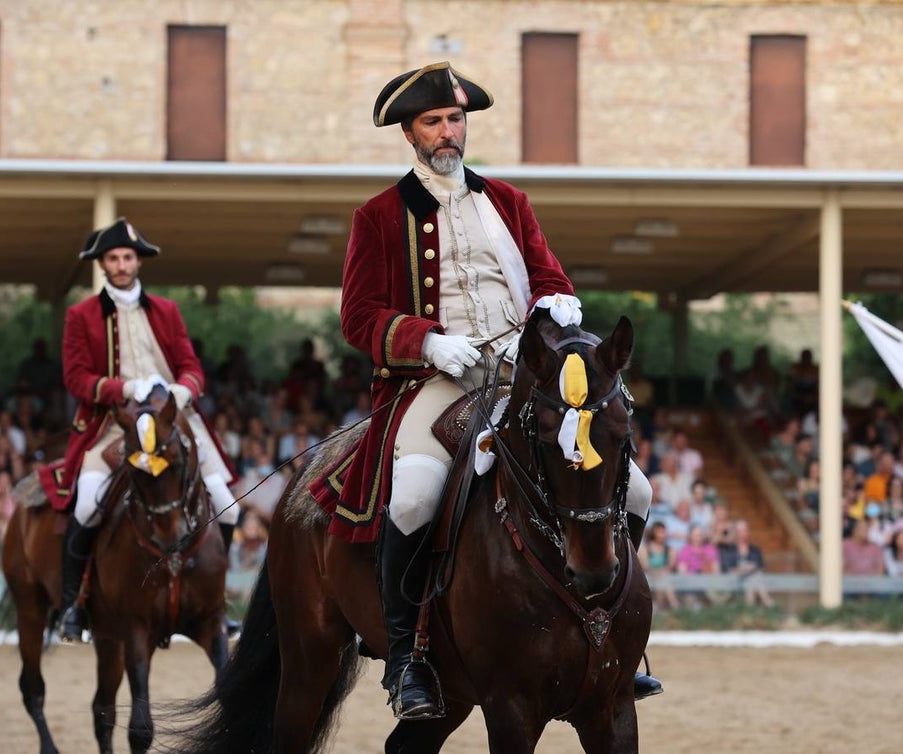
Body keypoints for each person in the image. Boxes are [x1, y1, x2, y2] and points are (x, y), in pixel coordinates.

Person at [309, 62, 660, 718]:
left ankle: (616, 638)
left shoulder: (509, 200)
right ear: (409, 132)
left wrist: (560, 304)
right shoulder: (381, 216)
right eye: (433, 122)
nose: (448, 132)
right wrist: (426, 340)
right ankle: (410, 662)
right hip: (439, 381)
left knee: (634, 488)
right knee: (413, 496)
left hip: (522, 380)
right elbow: (357, 317)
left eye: (455, 119)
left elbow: (547, 274)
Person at [38, 218, 241, 643]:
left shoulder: (167, 310)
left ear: (138, 261)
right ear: (103, 264)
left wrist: (180, 393)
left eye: (128, 257)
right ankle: (75, 604)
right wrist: (125, 388)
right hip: (112, 425)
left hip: (172, 421)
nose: (121, 264)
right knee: (87, 507)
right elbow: (76, 379)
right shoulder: (81, 315)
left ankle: (215, 602)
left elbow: (191, 367)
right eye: (113, 258)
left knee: (229, 506)